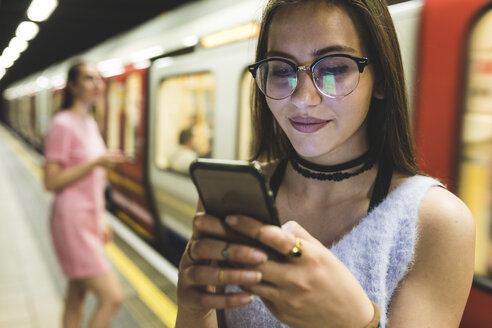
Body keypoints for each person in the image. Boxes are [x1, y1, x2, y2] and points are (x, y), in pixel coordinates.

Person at [175, 0, 476, 327]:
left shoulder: (436, 223)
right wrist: (194, 310)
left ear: (382, 80)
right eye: (281, 69)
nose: (303, 98)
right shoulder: (230, 199)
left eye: (334, 68)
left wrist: (355, 321)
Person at [44, 62, 125, 328]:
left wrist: (101, 219)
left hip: (88, 218)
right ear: (74, 86)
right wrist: (96, 162)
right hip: (71, 221)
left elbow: (92, 182)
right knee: (111, 297)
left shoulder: (89, 122)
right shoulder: (62, 124)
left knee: (75, 296)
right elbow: (50, 180)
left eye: (99, 78)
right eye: (89, 78)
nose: (97, 84)